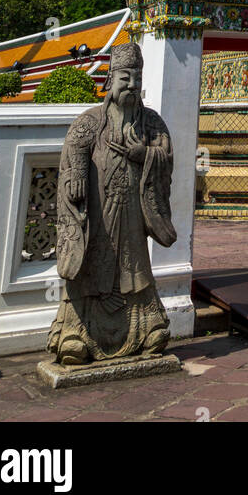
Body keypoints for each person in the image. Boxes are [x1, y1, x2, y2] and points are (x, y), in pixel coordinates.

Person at [47, 41, 176, 365]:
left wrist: (143, 154)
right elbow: (75, 144)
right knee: (90, 268)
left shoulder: (151, 123)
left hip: (134, 213)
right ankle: (74, 335)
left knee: (135, 270)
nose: (131, 85)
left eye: (136, 78)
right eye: (124, 78)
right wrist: (76, 174)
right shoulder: (91, 121)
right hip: (98, 214)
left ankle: (148, 329)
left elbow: (166, 155)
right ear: (109, 80)